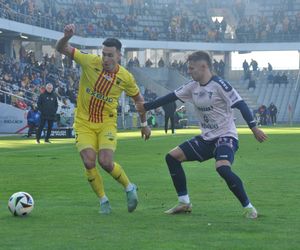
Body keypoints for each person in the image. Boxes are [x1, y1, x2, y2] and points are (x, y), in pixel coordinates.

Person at [136, 51, 267, 219]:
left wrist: (254, 128)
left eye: (192, 68)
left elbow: (241, 105)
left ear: (204, 67)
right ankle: (184, 203)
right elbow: (170, 97)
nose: (189, 71)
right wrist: (146, 106)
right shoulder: (192, 86)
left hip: (225, 136)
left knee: (222, 168)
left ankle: (249, 208)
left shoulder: (220, 85)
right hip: (206, 138)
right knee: (172, 157)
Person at [56, 24, 151, 214]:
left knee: (106, 162)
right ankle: (103, 200)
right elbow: (61, 48)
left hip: (106, 122)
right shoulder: (89, 61)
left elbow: (139, 100)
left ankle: (129, 187)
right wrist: (66, 37)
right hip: (83, 122)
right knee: (89, 161)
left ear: (119, 56)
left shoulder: (126, 77)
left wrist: (144, 124)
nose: (105, 58)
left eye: (110, 55)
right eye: (104, 54)